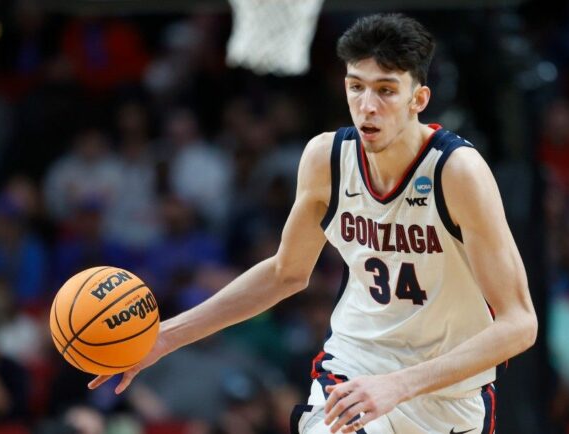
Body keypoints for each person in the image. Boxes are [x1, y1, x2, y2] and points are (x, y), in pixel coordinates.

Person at [89, 13, 537, 434]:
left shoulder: (457, 172)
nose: (367, 106)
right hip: (353, 371)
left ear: (418, 98)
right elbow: (286, 272)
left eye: (385, 90)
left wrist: (401, 384)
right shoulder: (327, 159)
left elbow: (519, 322)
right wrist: (165, 336)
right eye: (357, 87)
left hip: (444, 392)